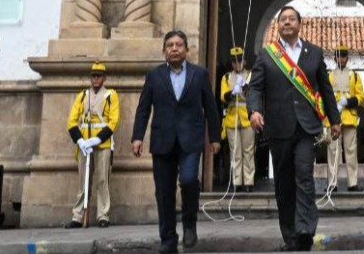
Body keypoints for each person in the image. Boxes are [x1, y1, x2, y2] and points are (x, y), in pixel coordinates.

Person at [247, 6, 341, 253]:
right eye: (283, 20)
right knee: (284, 183)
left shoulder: (314, 53)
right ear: (277, 26)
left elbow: (326, 89)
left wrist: (335, 119)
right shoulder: (267, 55)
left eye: (291, 19)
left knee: (304, 176)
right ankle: (289, 234)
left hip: (306, 127)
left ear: (300, 24)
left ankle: (305, 231)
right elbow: (255, 88)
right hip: (278, 127)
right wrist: (254, 111)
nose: (287, 22)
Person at [132, 29, 222, 254]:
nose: (174, 48)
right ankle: (168, 240)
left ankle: (190, 223)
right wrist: (137, 137)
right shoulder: (154, 75)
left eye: (179, 45)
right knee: (164, 192)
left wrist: (215, 138)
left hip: (191, 139)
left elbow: (211, 107)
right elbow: (143, 108)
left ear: (186, 50)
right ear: (164, 51)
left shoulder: (199, 74)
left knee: (190, 180)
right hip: (162, 139)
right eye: (170, 45)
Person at [65, 61, 119, 229]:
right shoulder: (82, 96)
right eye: (93, 76)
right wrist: (80, 140)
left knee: (103, 180)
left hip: (102, 144)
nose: (96, 79)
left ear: (104, 78)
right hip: (84, 145)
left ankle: (103, 215)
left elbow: (113, 121)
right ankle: (78, 216)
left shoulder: (111, 95)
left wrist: (98, 139)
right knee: (83, 182)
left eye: (99, 76)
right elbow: (72, 121)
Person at [327, 45, 364, 192]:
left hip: (349, 117)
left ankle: (352, 182)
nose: (341, 59)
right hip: (334, 118)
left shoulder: (354, 75)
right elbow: (326, 95)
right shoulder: (329, 75)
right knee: (333, 151)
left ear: (347, 58)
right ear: (335, 58)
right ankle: (332, 183)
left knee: (351, 151)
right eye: (338, 56)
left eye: (343, 56)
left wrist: (347, 102)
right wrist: (334, 105)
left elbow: (360, 96)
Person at [220, 46, 255, 192]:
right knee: (235, 152)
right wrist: (232, 93)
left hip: (247, 117)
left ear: (245, 61)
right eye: (234, 61)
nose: (237, 64)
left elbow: (255, 95)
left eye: (240, 61)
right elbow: (222, 97)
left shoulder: (250, 75)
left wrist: (246, 88)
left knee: (248, 150)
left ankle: (248, 181)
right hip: (232, 117)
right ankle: (236, 181)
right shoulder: (227, 77)